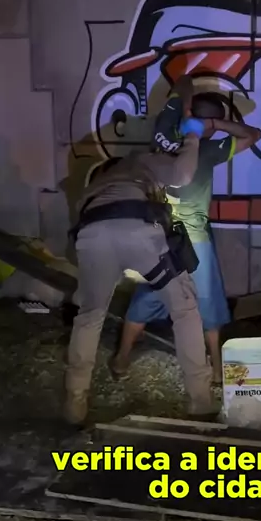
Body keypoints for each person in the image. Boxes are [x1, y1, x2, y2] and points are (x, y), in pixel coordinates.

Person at [64, 106, 215, 426]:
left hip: (91, 235)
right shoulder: (142, 161)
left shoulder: (96, 183)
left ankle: (75, 400)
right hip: (138, 230)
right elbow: (183, 175)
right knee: (184, 309)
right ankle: (201, 402)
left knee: (90, 316)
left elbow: (90, 229)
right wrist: (192, 136)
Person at [112, 93, 261, 383]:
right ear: (209, 123)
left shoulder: (163, 143)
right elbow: (253, 134)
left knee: (148, 296)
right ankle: (216, 369)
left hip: (160, 237)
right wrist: (214, 124)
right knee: (208, 304)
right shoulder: (208, 150)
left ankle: (121, 359)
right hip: (194, 241)